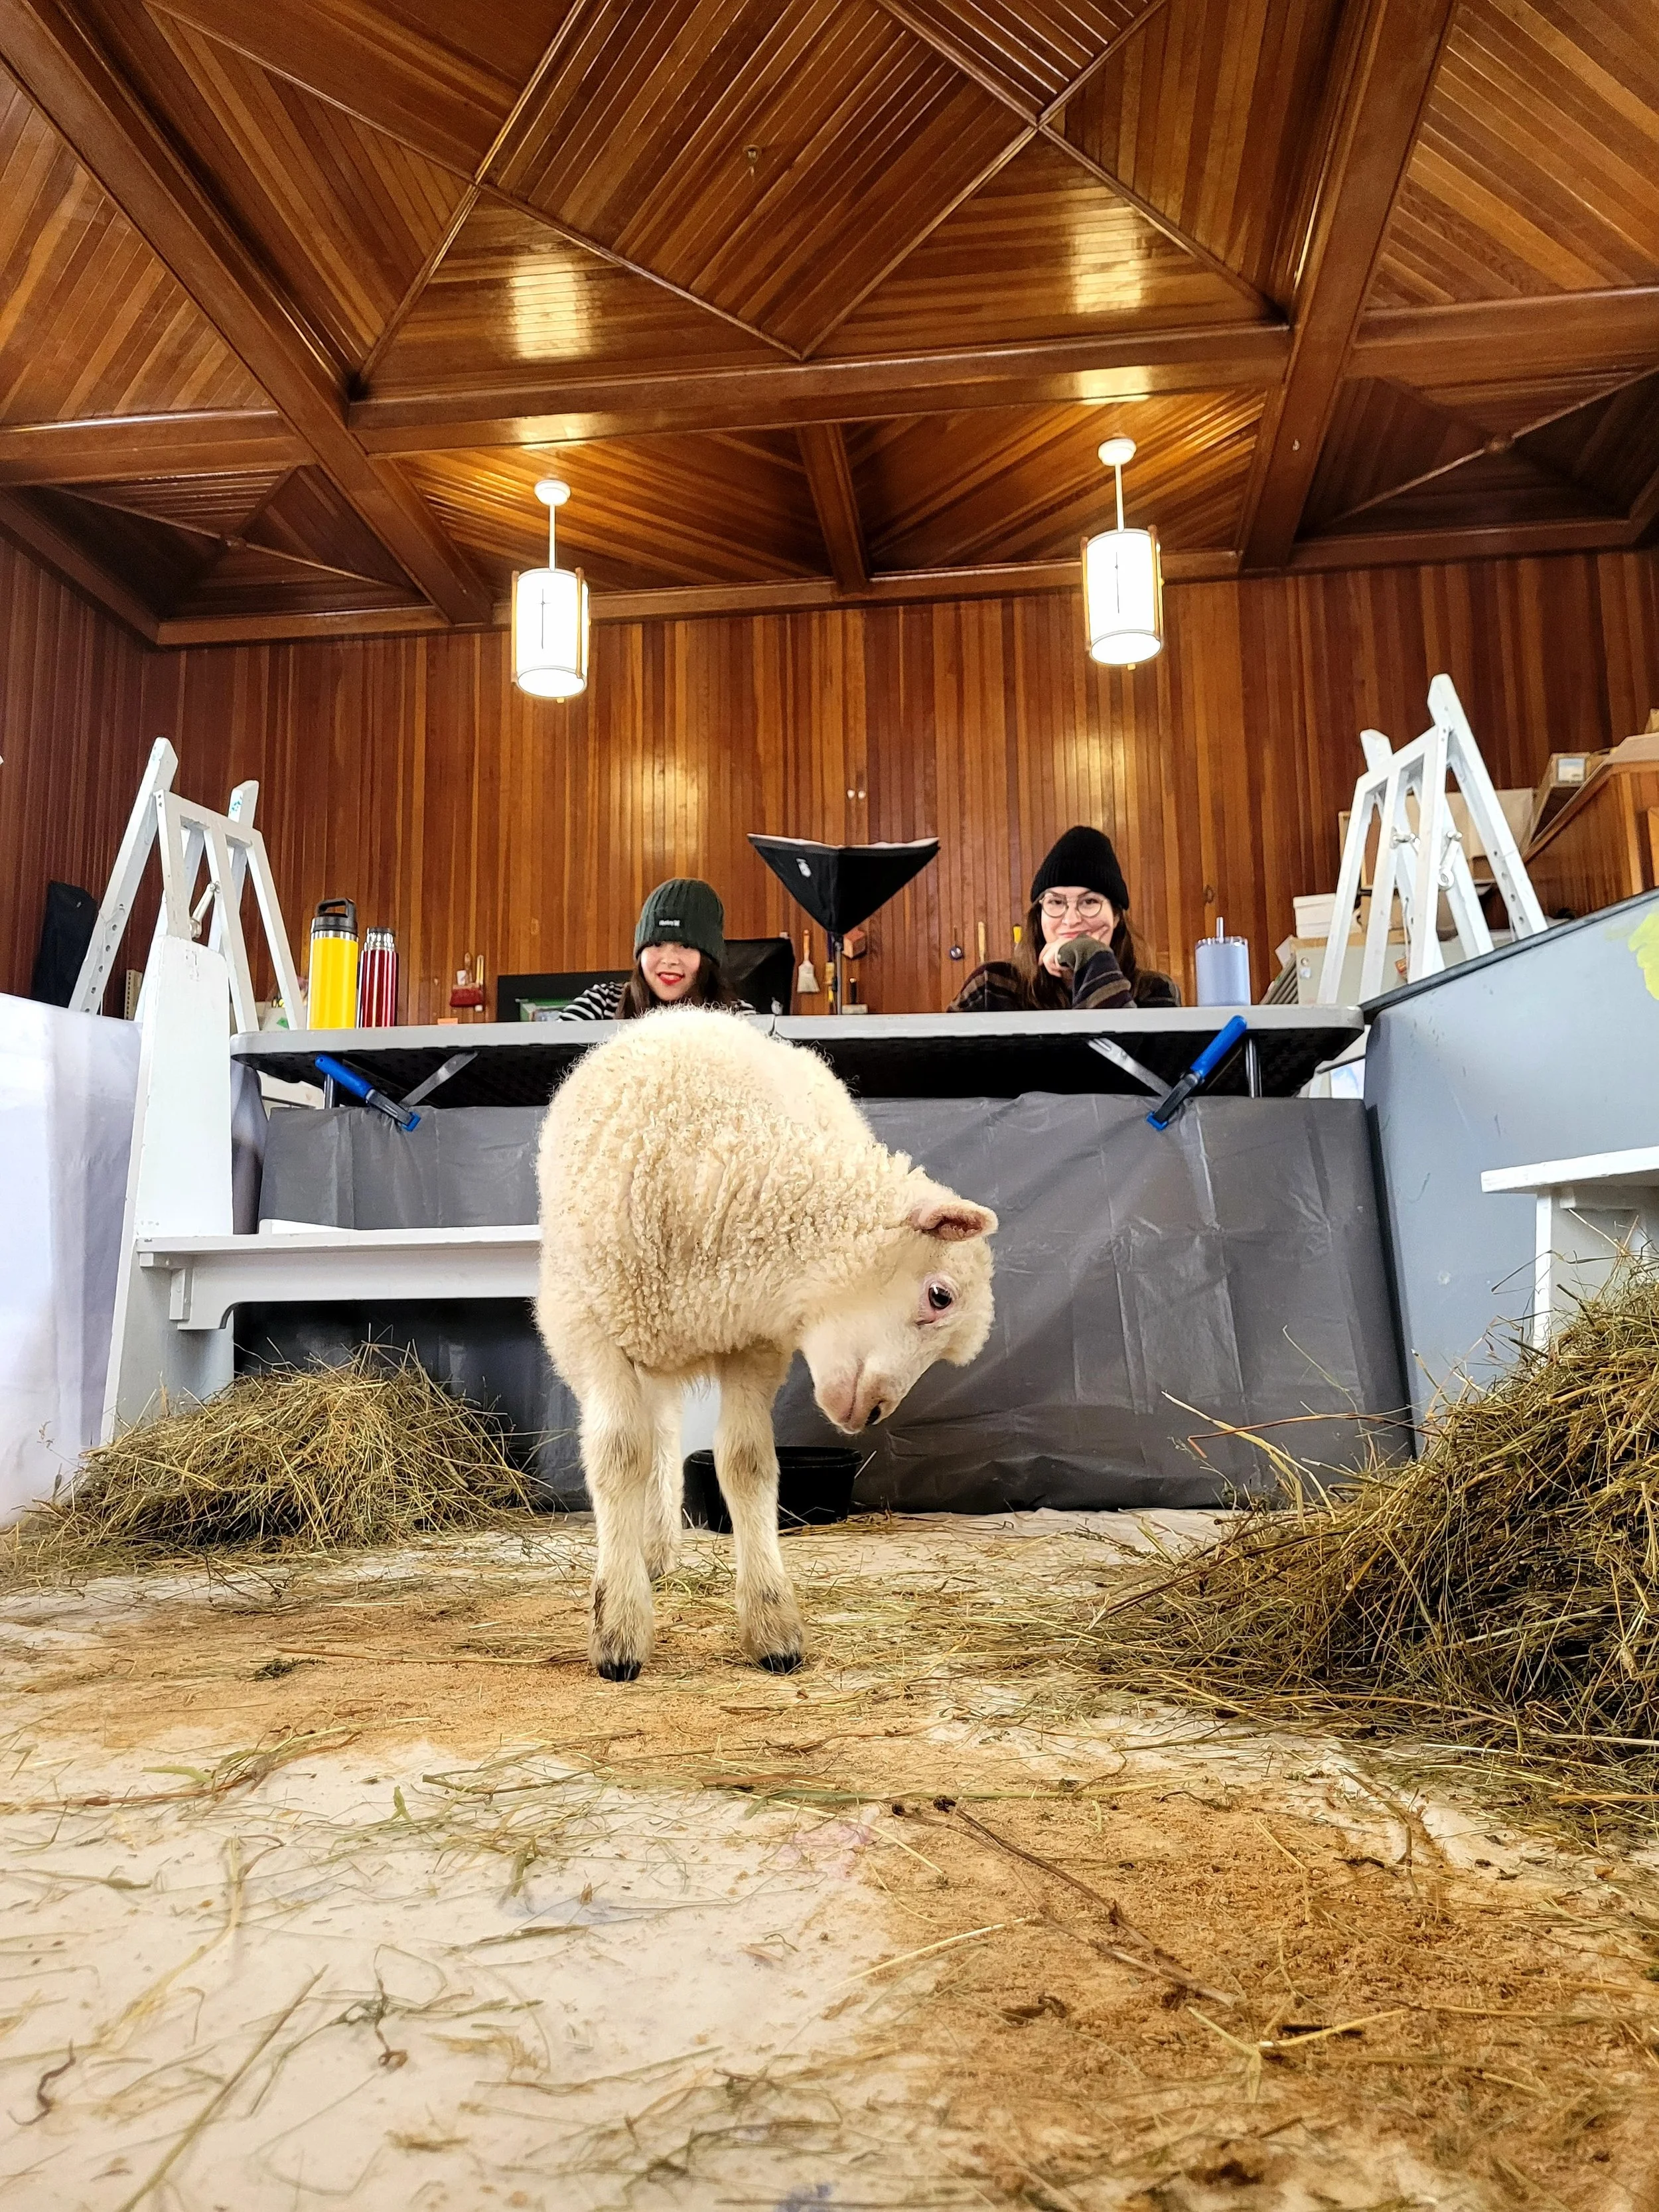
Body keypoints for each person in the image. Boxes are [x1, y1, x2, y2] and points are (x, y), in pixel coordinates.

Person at [950, 826, 1179, 1011]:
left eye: (1089, 902)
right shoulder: (991, 987)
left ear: (1117, 916)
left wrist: (1093, 960)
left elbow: (1134, 1065)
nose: (1071, 920)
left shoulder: (1155, 990)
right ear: (1038, 916)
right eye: (1056, 902)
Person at [559, 878, 746, 1020]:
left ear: (709, 957)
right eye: (657, 944)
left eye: (686, 946)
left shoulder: (739, 1018)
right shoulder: (601, 1005)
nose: (669, 960)